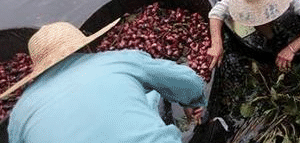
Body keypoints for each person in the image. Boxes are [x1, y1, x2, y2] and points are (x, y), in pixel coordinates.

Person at [1, 20, 208, 143]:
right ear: (87, 46)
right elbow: (188, 80)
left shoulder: (20, 112)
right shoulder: (117, 60)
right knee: (150, 94)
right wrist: (192, 101)